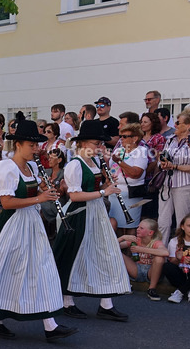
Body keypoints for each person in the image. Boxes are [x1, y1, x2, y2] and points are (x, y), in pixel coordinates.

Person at [0, 118, 75, 341]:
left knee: (42, 268)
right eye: (31, 145)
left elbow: (32, 192)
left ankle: (50, 324)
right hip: (12, 224)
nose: (36, 149)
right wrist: (40, 197)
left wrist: (44, 190)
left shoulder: (32, 166)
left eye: (37, 145)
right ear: (18, 144)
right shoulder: (5, 167)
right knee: (7, 271)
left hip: (31, 222)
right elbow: (7, 202)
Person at [51, 119, 131, 321]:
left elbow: (94, 189)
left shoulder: (93, 163)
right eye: (96, 143)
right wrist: (104, 191)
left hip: (95, 212)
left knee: (104, 254)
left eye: (100, 143)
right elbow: (75, 196)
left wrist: (106, 183)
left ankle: (106, 304)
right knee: (73, 256)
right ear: (83, 143)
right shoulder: (74, 165)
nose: (99, 147)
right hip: (79, 214)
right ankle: (66, 301)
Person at [156, 109, 190, 241]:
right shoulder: (170, 140)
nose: (175, 125)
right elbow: (162, 158)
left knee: (182, 221)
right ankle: (161, 250)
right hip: (167, 184)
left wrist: (174, 166)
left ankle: (180, 250)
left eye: (178, 123)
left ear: (188, 126)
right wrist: (163, 163)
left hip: (184, 185)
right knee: (163, 221)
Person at [119, 218, 167, 300]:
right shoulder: (135, 240)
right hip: (136, 269)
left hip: (151, 272)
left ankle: (152, 289)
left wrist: (141, 249)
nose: (137, 229)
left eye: (141, 228)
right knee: (117, 254)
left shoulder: (156, 242)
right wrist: (122, 238)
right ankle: (124, 284)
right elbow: (112, 248)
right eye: (138, 227)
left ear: (150, 233)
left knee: (159, 258)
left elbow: (165, 252)